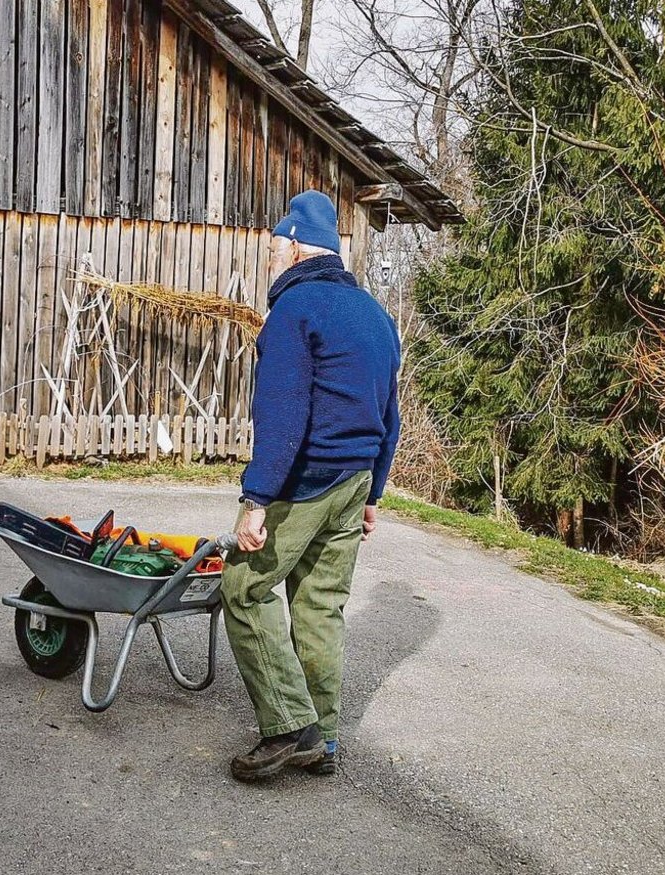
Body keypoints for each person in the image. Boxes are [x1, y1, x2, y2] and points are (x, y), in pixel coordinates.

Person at [221, 190, 401, 782]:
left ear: (296, 247)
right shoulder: (375, 315)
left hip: (308, 479)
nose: (269, 260)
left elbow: (283, 413)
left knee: (244, 588)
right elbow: (389, 411)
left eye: (273, 250)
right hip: (353, 480)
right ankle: (322, 739)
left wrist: (257, 500)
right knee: (320, 606)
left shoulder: (295, 312)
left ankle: (286, 725)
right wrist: (373, 493)